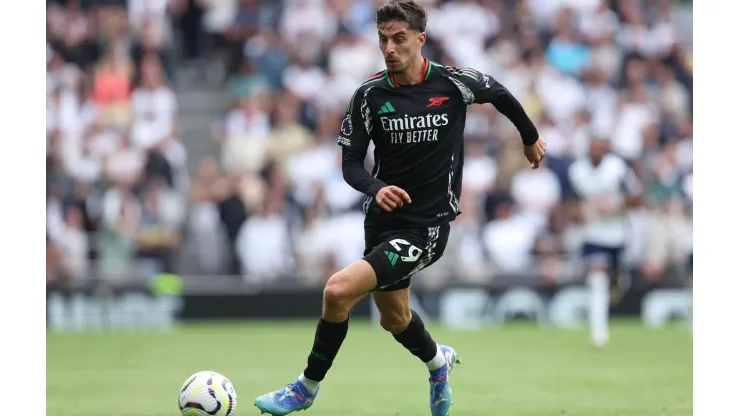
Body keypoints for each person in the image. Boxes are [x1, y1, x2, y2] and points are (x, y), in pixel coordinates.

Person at [254, 1, 546, 415]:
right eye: (383, 39)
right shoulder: (369, 96)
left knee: (336, 292)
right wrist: (376, 187)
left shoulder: (452, 82)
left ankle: (305, 389)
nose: (389, 48)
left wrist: (529, 137)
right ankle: (437, 362)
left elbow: (498, 92)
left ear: (419, 40)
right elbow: (351, 163)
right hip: (381, 222)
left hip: (426, 228)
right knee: (394, 318)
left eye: (399, 39)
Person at [568, 136, 642, 349]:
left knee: (615, 285)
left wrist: (614, 207)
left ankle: (609, 304)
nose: (596, 153)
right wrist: (580, 212)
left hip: (617, 233)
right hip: (592, 233)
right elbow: (570, 202)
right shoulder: (578, 171)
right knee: (597, 277)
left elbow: (636, 198)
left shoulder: (617, 170)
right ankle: (598, 331)